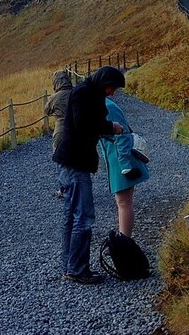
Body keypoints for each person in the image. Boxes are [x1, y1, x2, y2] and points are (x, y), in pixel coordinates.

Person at [52, 66, 125, 284]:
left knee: (71, 216)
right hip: (75, 162)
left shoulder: (92, 92)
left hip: (72, 161)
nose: (112, 93)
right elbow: (84, 124)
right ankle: (77, 269)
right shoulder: (83, 93)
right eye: (112, 87)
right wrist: (110, 126)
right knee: (84, 217)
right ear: (105, 82)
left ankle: (70, 266)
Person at [97, 97, 150, 237]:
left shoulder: (107, 106)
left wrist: (125, 166)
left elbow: (123, 135)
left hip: (119, 159)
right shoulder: (102, 105)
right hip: (114, 158)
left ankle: (124, 241)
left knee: (123, 202)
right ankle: (123, 239)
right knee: (123, 202)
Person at [45, 69, 73, 198]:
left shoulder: (54, 97)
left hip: (60, 131)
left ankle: (64, 189)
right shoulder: (75, 93)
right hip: (77, 131)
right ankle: (78, 188)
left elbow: (46, 111)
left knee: (60, 160)